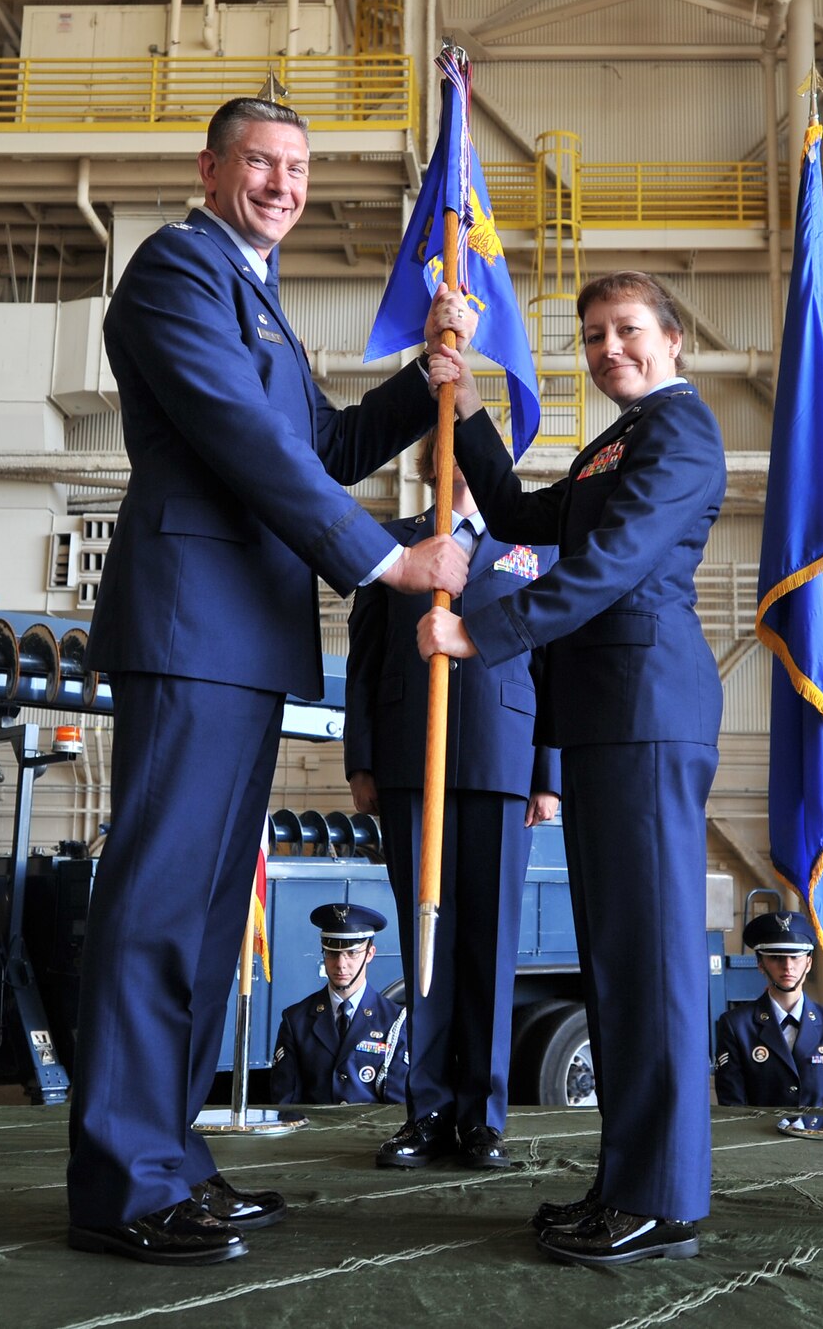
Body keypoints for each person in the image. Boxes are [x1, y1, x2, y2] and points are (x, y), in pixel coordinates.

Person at [66, 94, 474, 1267]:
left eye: (297, 167)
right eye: (260, 161)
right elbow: (248, 445)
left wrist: (420, 375)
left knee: (200, 918)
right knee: (156, 907)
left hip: (240, 643)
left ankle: (170, 1155)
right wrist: (386, 559)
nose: (283, 184)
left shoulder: (258, 297)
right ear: (210, 167)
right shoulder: (174, 275)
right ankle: (122, 1182)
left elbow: (322, 445)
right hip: (191, 630)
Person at [417, 271, 724, 1268]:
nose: (607, 349)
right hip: (603, 719)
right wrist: (455, 403)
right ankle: (624, 1178)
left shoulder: (679, 433)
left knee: (653, 960)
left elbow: (608, 566)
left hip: (646, 711)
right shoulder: (616, 442)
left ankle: (664, 1198)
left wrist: (476, 632)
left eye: (626, 330)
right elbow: (511, 511)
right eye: (591, 335)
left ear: (673, 339)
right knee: (614, 962)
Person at [345, 443, 561, 1170]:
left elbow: (552, 665)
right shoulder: (391, 546)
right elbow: (364, 661)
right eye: (444, 451)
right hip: (412, 759)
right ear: (428, 463)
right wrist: (362, 760)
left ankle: (483, 1119)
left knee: (491, 948)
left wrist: (549, 773)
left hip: (504, 761)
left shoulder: (532, 551)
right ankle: (428, 1111)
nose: (456, 462)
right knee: (425, 939)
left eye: (469, 452)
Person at [714, 911, 823, 1110]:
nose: (787, 966)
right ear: (760, 964)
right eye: (776, 958)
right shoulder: (736, 1025)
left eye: (795, 957)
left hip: (821, 1137)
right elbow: (732, 1102)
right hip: (761, 1138)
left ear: (808, 963)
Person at [267, 903, 409, 1108]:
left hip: (370, 1137)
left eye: (352, 953)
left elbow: (398, 1108)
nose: (341, 964)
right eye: (332, 953)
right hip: (311, 1137)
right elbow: (286, 1104)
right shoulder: (296, 1020)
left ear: (370, 953)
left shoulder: (395, 1021)